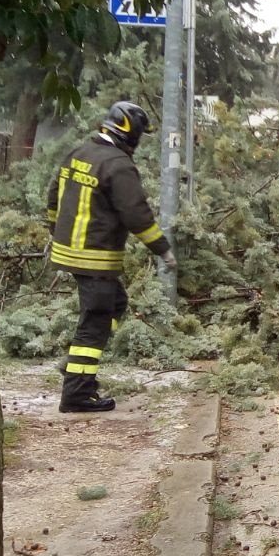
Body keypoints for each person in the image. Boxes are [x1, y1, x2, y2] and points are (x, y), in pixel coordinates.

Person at [45, 101, 176, 413]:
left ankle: (75, 364)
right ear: (131, 135)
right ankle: (77, 392)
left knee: (115, 303)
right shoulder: (118, 165)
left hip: (71, 251)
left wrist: (55, 231)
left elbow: (54, 195)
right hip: (94, 256)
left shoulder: (79, 153)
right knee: (97, 320)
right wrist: (163, 249)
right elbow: (137, 215)